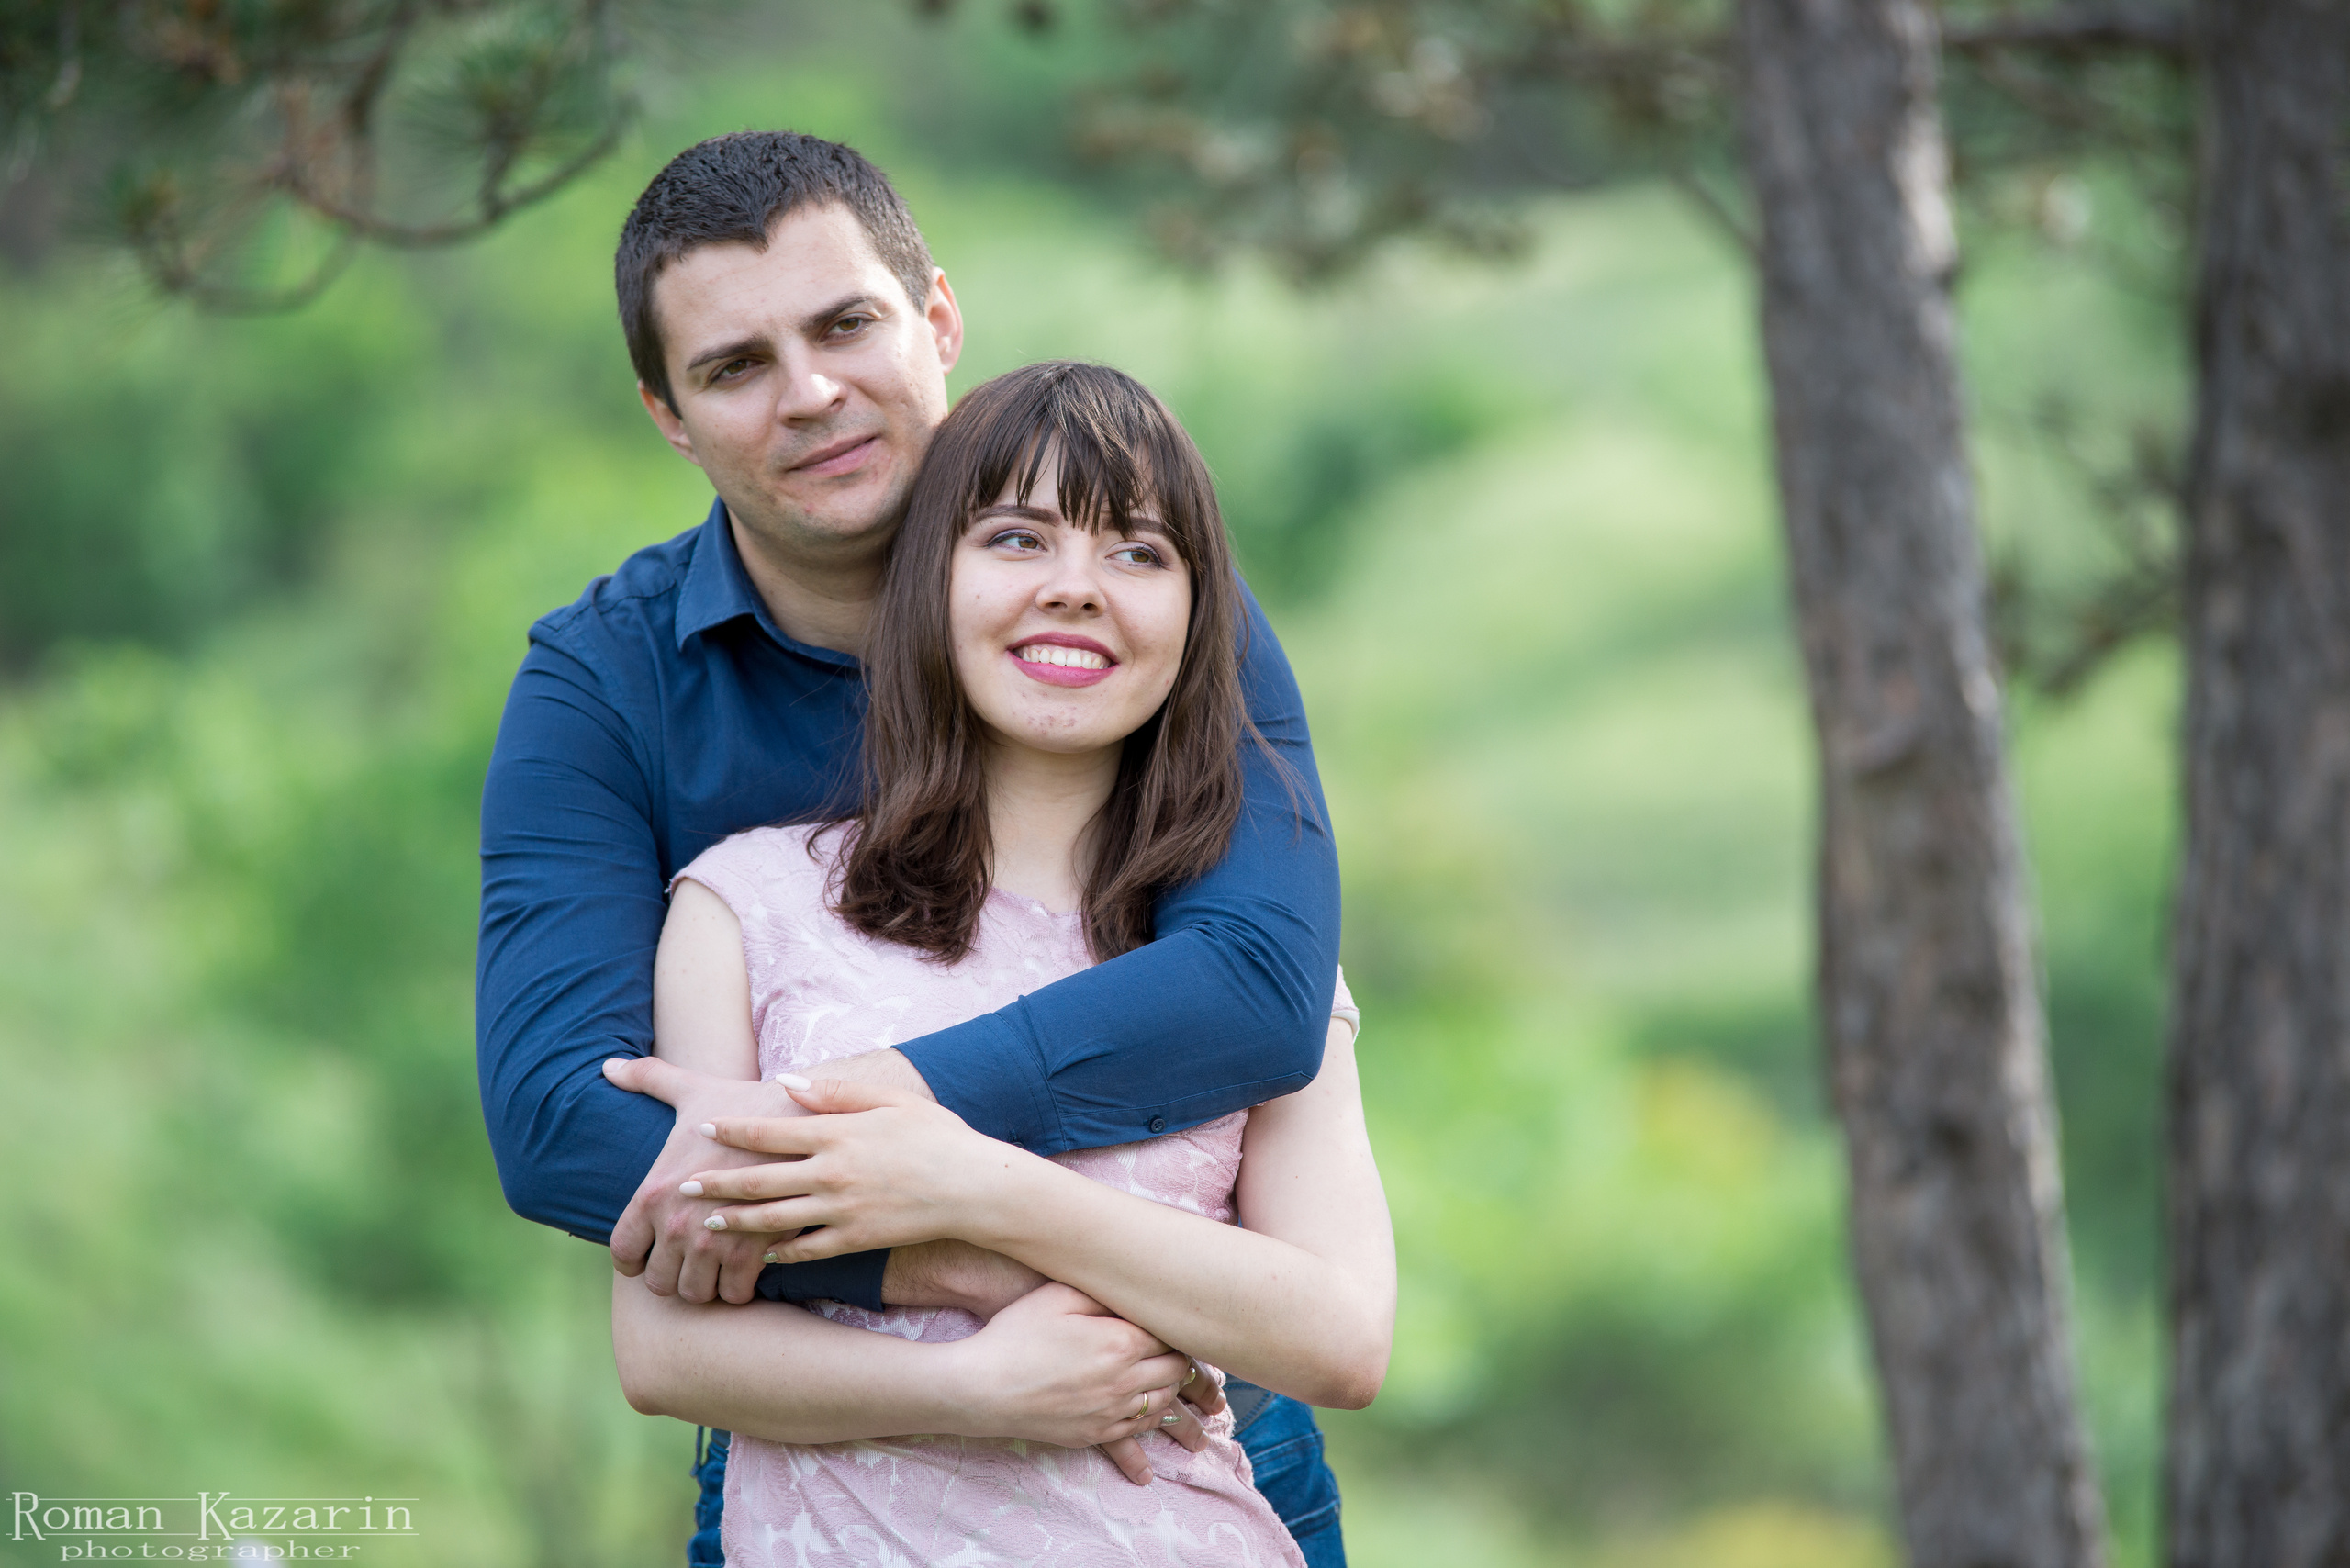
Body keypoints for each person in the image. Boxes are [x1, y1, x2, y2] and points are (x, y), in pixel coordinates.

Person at [474, 132, 1353, 1560]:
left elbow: (1259, 987)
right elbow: (562, 1123)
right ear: (669, 416)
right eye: (735, 365)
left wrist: (878, 1107)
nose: (812, 394)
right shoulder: (607, 683)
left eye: (846, 325)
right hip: (841, 1448)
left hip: (1191, 1437)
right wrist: (955, 1265)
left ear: (936, 319)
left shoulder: (1134, 605)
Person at [608, 358, 1394, 1567]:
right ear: (928, 583)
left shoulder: (1238, 966)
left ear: (1201, 623)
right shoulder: (749, 904)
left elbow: (1342, 1337)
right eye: (1018, 539)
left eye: (1140, 554)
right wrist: (978, 1387)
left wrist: (974, 1186)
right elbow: (664, 1352)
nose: (1077, 590)